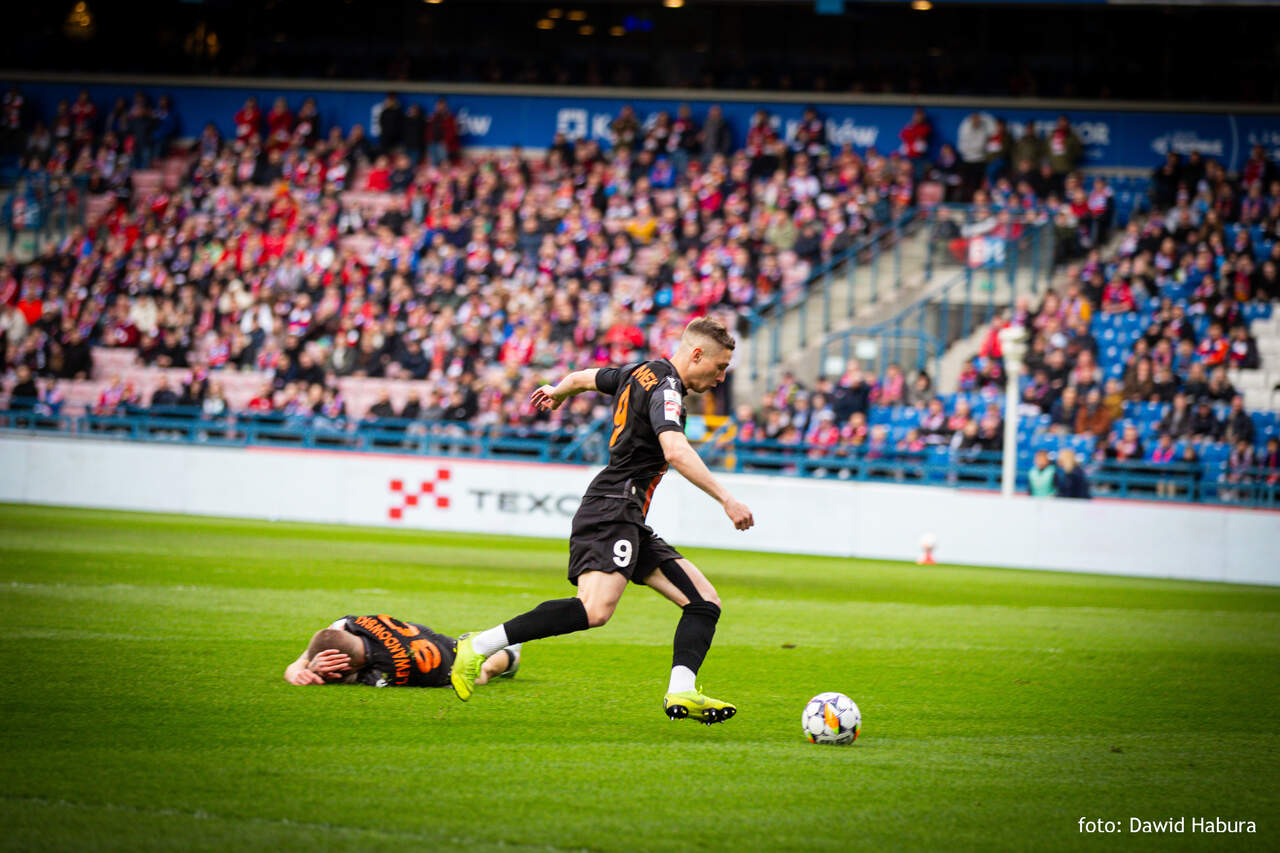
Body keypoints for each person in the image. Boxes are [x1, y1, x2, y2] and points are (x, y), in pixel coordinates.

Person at [448, 317, 754, 724]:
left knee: (703, 601)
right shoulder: (667, 390)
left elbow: (583, 378)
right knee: (594, 610)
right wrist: (727, 499)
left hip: (626, 514)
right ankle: (479, 645)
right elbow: (676, 450)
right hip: (613, 506)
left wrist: (557, 392)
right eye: (720, 367)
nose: (720, 378)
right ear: (696, 354)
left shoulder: (639, 371)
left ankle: (682, 690)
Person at [284, 614, 521, 687]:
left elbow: (347, 679)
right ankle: (477, 642)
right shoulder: (349, 623)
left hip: (446, 662)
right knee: (457, 645)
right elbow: (326, 637)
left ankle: (510, 654)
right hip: (419, 637)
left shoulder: (389, 669)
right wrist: (298, 667)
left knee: (482, 672)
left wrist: (319, 674)